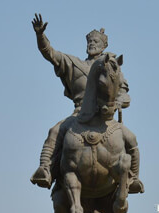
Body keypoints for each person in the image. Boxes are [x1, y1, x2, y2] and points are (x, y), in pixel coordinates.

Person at [30, 13, 142, 193]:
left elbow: (124, 94)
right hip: (79, 114)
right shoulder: (74, 64)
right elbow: (50, 54)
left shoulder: (112, 67)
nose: (92, 45)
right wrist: (40, 36)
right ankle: (45, 170)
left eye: (96, 42)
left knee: (132, 139)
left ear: (104, 46)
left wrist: (119, 101)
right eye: (89, 42)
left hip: (106, 116)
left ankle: (133, 178)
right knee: (54, 131)